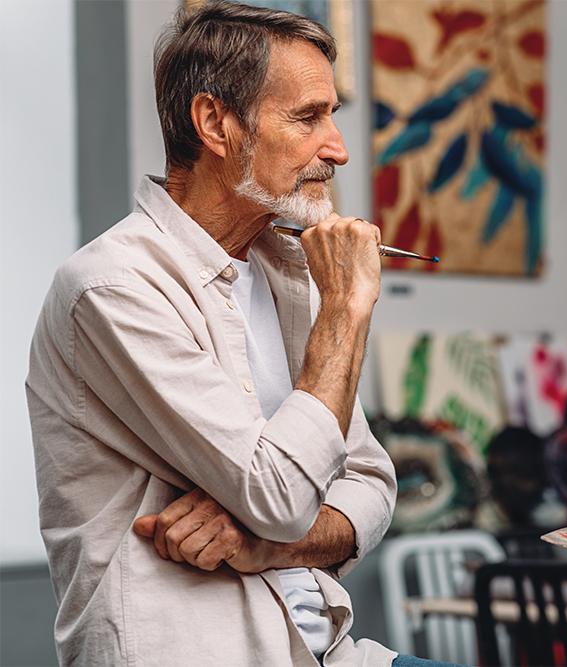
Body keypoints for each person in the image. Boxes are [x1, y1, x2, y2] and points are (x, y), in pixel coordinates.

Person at [25, 3, 441, 665]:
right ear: (215, 121)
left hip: (331, 650)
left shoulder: (294, 275)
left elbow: (371, 483)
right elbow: (278, 495)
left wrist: (271, 546)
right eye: (309, 117)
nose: (338, 148)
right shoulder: (112, 286)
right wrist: (347, 312)